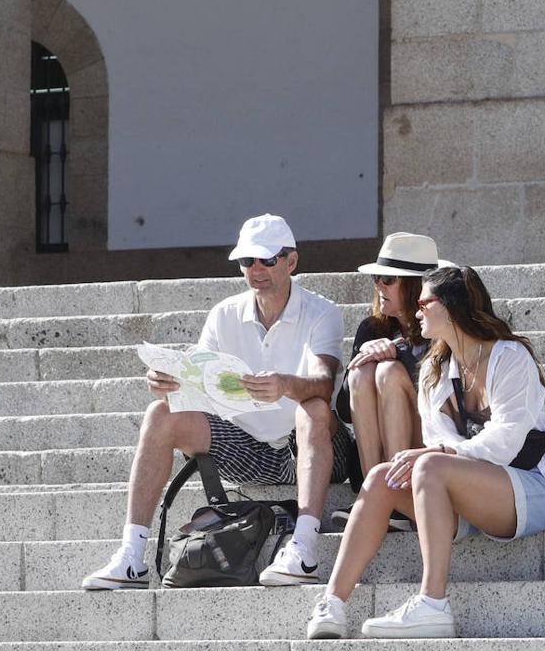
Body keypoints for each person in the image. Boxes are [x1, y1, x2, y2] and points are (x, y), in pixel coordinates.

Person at [306, 265, 545, 638]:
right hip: (466, 494)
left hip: (530, 488)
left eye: (424, 302)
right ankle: (334, 605)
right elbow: (439, 440)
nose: (416, 311)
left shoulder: (510, 357)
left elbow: (507, 441)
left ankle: (433, 603)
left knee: (430, 465)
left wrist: (436, 453)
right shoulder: (435, 370)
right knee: (379, 478)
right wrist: (437, 453)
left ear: (452, 307)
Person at [82, 213, 353, 590]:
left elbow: (324, 384)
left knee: (313, 409)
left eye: (267, 260)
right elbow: (199, 378)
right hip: (246, 448)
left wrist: (285, 385)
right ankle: (132, 557)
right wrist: (170, 381)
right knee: (160, 413)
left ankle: (304, 548)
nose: (256, 269)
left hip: (311, 445)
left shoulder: (321, 311)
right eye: (247, 261)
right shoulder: (224, 314)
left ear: (292, 261)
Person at [331, 233, 448, 531]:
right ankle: (374, 496)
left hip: (427, 447)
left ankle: (398, 495)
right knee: (363, 372)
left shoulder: (442, 324)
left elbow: (439, 393)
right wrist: (366, 355)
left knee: (389, 372)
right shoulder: (372, 327)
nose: (378, 286)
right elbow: (345, 410)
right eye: (377, 278)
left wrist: (399, 351)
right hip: (377, 452)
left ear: (413, 286)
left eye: (387, 279)